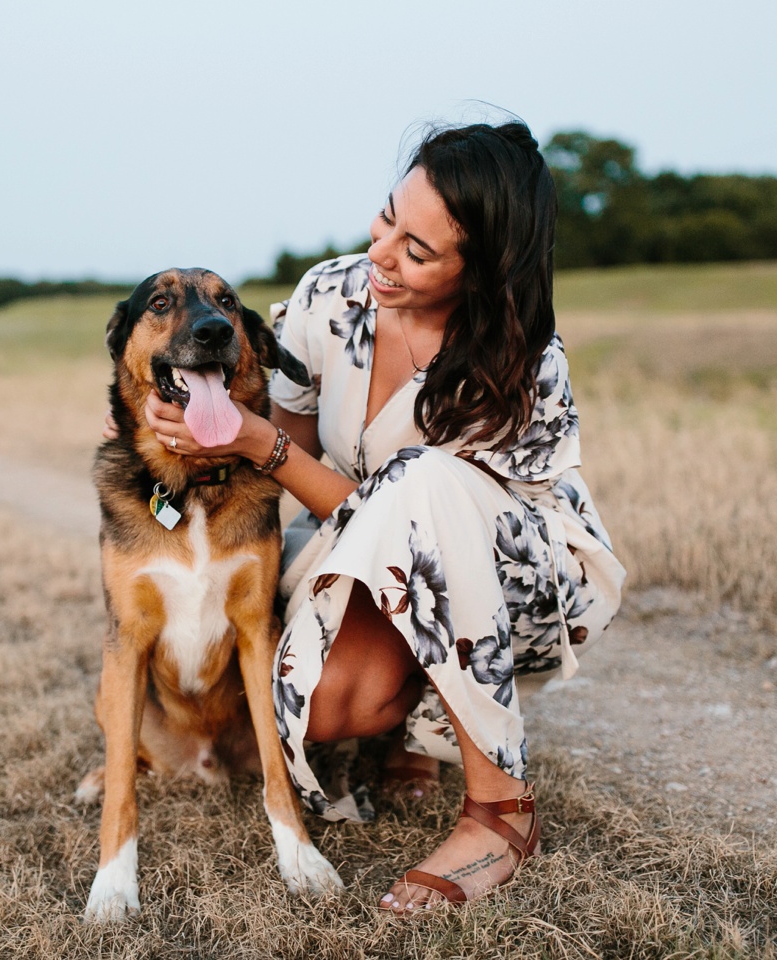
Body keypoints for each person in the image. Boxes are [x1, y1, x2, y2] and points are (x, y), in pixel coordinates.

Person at [139, 121, 625, 913]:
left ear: (484, 272)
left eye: (418, 250)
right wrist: (192, 425)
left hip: (515, 579)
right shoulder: (333, 295)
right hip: (367, 553)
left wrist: (263, 450)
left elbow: (393, 509)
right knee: (333, 710)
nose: (382, 251)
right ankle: (406, 730)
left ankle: (499, 811)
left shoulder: (520, 359)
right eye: (386, 217)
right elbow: (283, 438)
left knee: (425, 476)